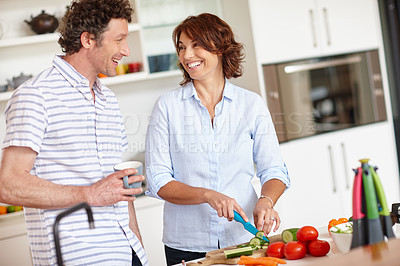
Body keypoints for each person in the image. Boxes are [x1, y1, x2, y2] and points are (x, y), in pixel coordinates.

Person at [0, 0, 148, 265]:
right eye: (119, 40)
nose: (126, 50)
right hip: (76, 257)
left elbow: (118, 187)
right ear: (88, 39)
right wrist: (88, 194)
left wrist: (139, 250)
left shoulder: (108, 99)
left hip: (127, 251)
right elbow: (8, 184)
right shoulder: (35, 96)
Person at [145, 13, 291, 265]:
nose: (187, 55)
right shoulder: (167, 107)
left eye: (196, 45)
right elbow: (158, 181)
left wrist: (266, 201)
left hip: (243, 239)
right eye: (182, 48)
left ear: (221, 47)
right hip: (186, 244)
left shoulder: (251, 105)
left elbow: (274, 169)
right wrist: (208, 195)